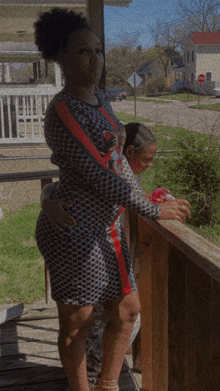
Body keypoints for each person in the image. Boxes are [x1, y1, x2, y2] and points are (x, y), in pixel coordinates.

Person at [34, 8, 191, 391]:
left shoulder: (101, 100)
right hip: (74, 230)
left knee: (127, 311)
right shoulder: (62, 110)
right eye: (83, 51)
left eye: (98, 50)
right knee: (77, 323)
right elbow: (98, 174)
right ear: (60, 57)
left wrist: (143, 194)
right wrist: (153, 210)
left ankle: (107, 385)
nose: (96, 59)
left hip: (107, 229)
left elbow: (118, 161)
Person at [40, 122, 157, 376]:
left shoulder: (120, 172)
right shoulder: (103, 170)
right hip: (78, 249)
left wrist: (152, 197)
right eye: (147, 159)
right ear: (128, 153)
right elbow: (57, 188)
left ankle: (97, 375)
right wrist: (47, 202)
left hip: (99, 250)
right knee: (85, 319)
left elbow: (134, 195)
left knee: (121, 315)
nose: (150, 164)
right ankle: (88, 376)